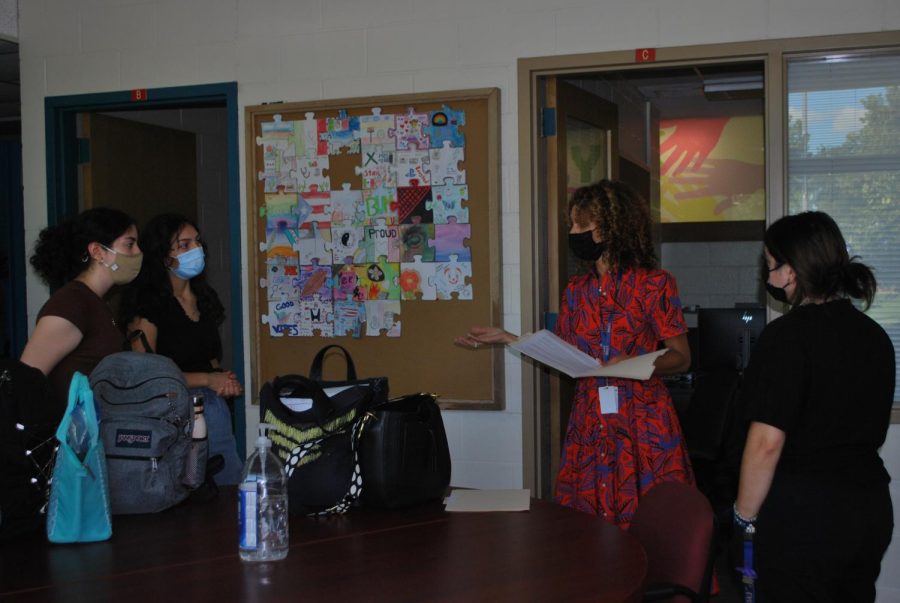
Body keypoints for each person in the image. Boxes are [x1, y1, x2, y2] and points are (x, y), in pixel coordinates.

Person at [456, 180, 694, 527]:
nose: (573, 232)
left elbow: (681, 357)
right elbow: (564, 355)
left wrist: (629, 362)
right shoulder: (575, 291)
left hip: (642, 419)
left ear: (612, 227)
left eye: (582, 225)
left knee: (652, 523)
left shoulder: (654, 283)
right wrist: (508, 338)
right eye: (572, 224)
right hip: (589, 417)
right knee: (588, 526)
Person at [733, 211, 894, 602]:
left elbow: (766, 443)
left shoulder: (785, 338)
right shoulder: (875, 337)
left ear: (791, 272)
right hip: (867, 509)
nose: (767, 277)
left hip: (804, 519)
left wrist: (743, 517)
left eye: (770, 266)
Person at [119, 214, 243, 485]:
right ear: (164, 256)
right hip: (172, 413)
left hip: (214, 411)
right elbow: (146, 376)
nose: (195, 250)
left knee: (227, 481)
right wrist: (208, 380)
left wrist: (223, 381)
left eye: (197, 242)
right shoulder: (148, 305)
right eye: (184, 245)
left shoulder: (205, 298)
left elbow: (210, 358)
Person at [21, 208, 142, 412]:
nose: (138, 252)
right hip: (71, 436)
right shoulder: (72, 303)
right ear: (97, 251)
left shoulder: (97, 302)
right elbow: (25, 380)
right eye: (129, 244)